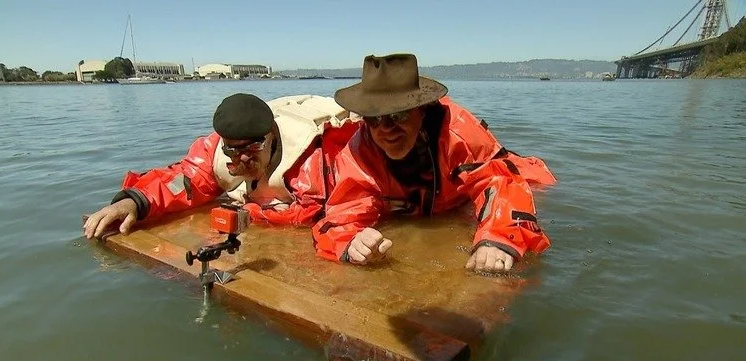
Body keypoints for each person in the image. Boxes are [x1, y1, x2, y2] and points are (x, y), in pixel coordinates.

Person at [311, 54, 556, 272]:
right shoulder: (358, 149)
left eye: (398, 115)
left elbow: (499, 181)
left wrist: (498, 239)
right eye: (374, 118)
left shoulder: (458, 132)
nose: (386, 129)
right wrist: (352, 243)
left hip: (458, 199)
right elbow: (344, 212)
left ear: (423, 109)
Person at [84, 93, 361, 239]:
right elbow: (183, 181)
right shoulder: (215, 151)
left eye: (253, 147)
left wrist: (247, 211)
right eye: (233, 149)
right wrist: (134, 202)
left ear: (272, 137)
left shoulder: (311, 159)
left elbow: (308, 212)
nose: (242, 158)